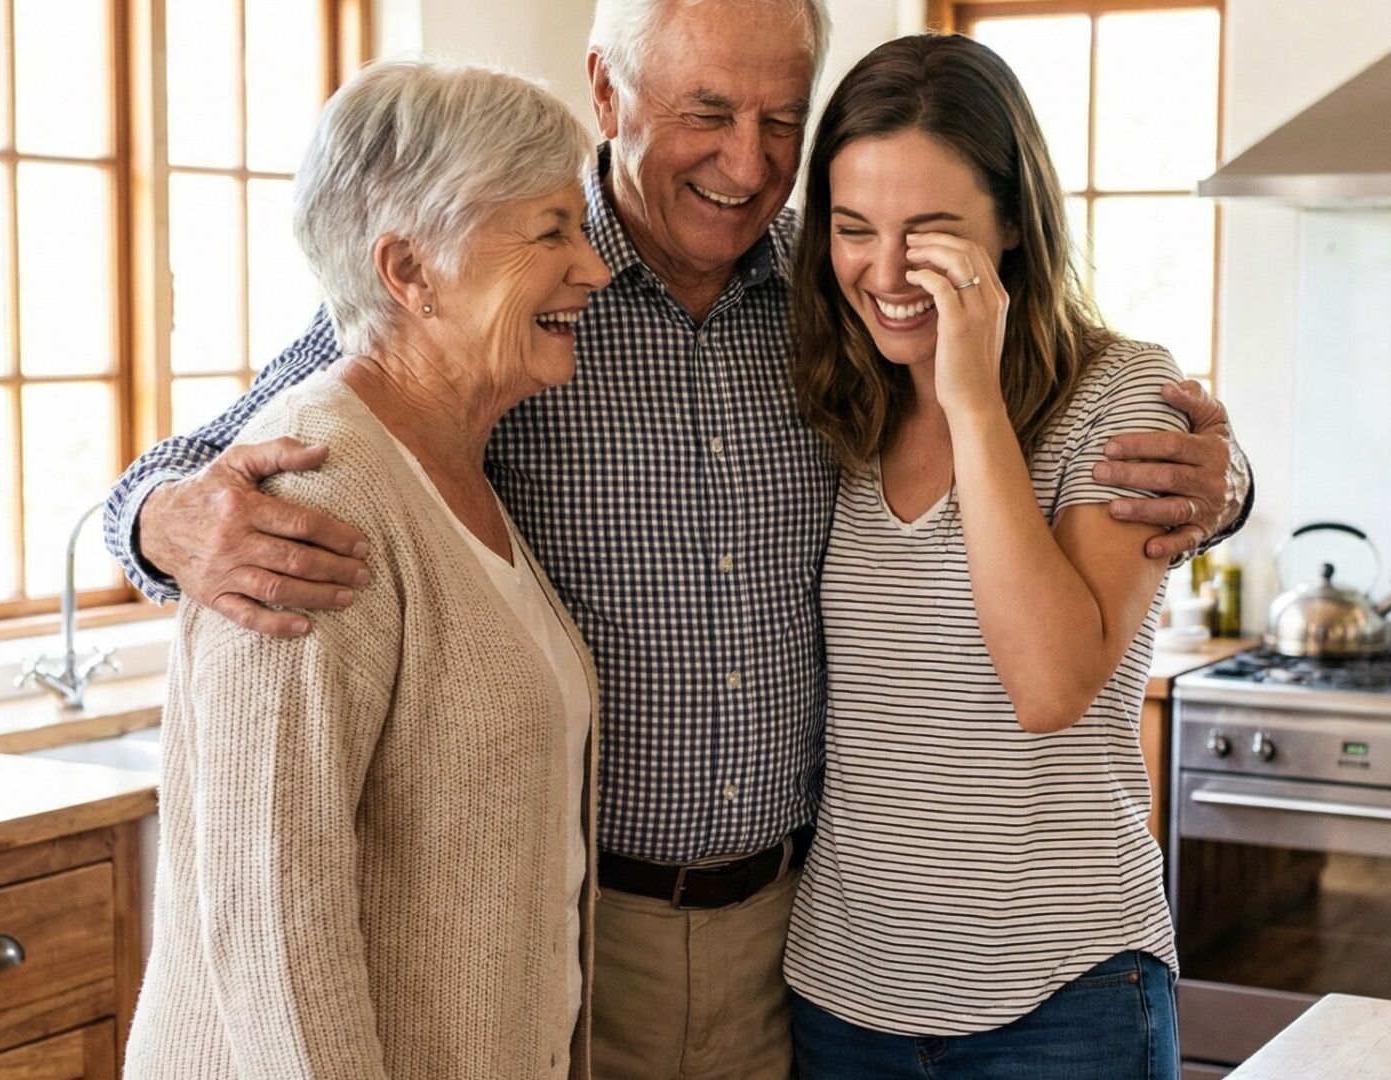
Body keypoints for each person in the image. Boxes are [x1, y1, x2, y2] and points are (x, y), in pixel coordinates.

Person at [103, 3, 1252, 1075]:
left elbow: (1062, 429)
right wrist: (161, 521)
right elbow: (280, 432)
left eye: (782, 121)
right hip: (581, 930)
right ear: (608, 93)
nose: (746, 164)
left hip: (787, 938)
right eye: (708, 112)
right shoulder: (497, 281)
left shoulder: (840, 299)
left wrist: (1225, 484)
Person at [121, 59, 609, 1079]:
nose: (593, 269)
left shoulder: (448, 465)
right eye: (551, 231)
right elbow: (271, 925)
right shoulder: (312, 495)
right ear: (410, 269)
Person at [781, 34, 1186, 1077]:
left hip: (1064, 1000)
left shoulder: (1120, 396)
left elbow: (1049, 685)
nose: (884, 272)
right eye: (853, 229)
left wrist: (971, 399)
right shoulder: (839, 394)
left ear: (1011, 223)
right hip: (845, 999)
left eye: (930, 233)